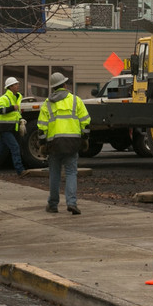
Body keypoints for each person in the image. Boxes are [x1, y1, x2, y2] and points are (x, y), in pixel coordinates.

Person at [37, 72, 90, 215]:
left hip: (54, 144)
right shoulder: (75, 100)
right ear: (65, 85)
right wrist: (85, 138)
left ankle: (53, 204)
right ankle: (72, 203)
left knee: (54, 173)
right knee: (71, 172)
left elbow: (42, 126)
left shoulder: (47, 104)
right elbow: (85, 121)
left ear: (53, 88)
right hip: (72, 143)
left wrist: (42, 143)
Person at [0, 76, 27, 177]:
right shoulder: (3, 98)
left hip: (10, 128)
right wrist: (12, 107)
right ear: (10, 87)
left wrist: (21, 120)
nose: (18, 85)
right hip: (4, 128)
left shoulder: (17, 97)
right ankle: (20, 171)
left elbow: (16, 113)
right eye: (16, 84)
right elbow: (0, 110)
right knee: (15, 147)